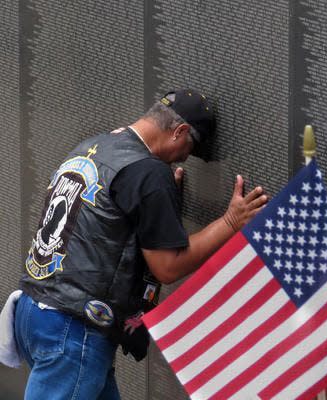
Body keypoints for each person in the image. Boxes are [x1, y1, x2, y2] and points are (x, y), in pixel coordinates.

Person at [13, 89, 268, 399]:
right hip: (72, 331)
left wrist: (159, 208)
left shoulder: (93, 146)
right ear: (180, 132)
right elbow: (167, 266)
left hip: (35, 312)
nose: (185, 158)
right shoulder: (148, 172)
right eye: (190, 147)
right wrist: (230, 222)